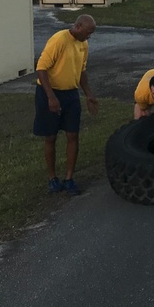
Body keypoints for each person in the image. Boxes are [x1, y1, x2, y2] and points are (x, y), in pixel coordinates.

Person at [34, 15, 99, 196]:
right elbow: (41, 68)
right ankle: (52, 178)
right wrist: (51, 97)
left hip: (70, 94)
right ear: (78, 26)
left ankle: (69, 179)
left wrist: (88, 95)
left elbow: (82, 71)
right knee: (51, 137)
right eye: (88, 32)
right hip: (50, 92)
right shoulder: (59, 40)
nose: (89, 37)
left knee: (73, 134)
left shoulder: (83, 45)